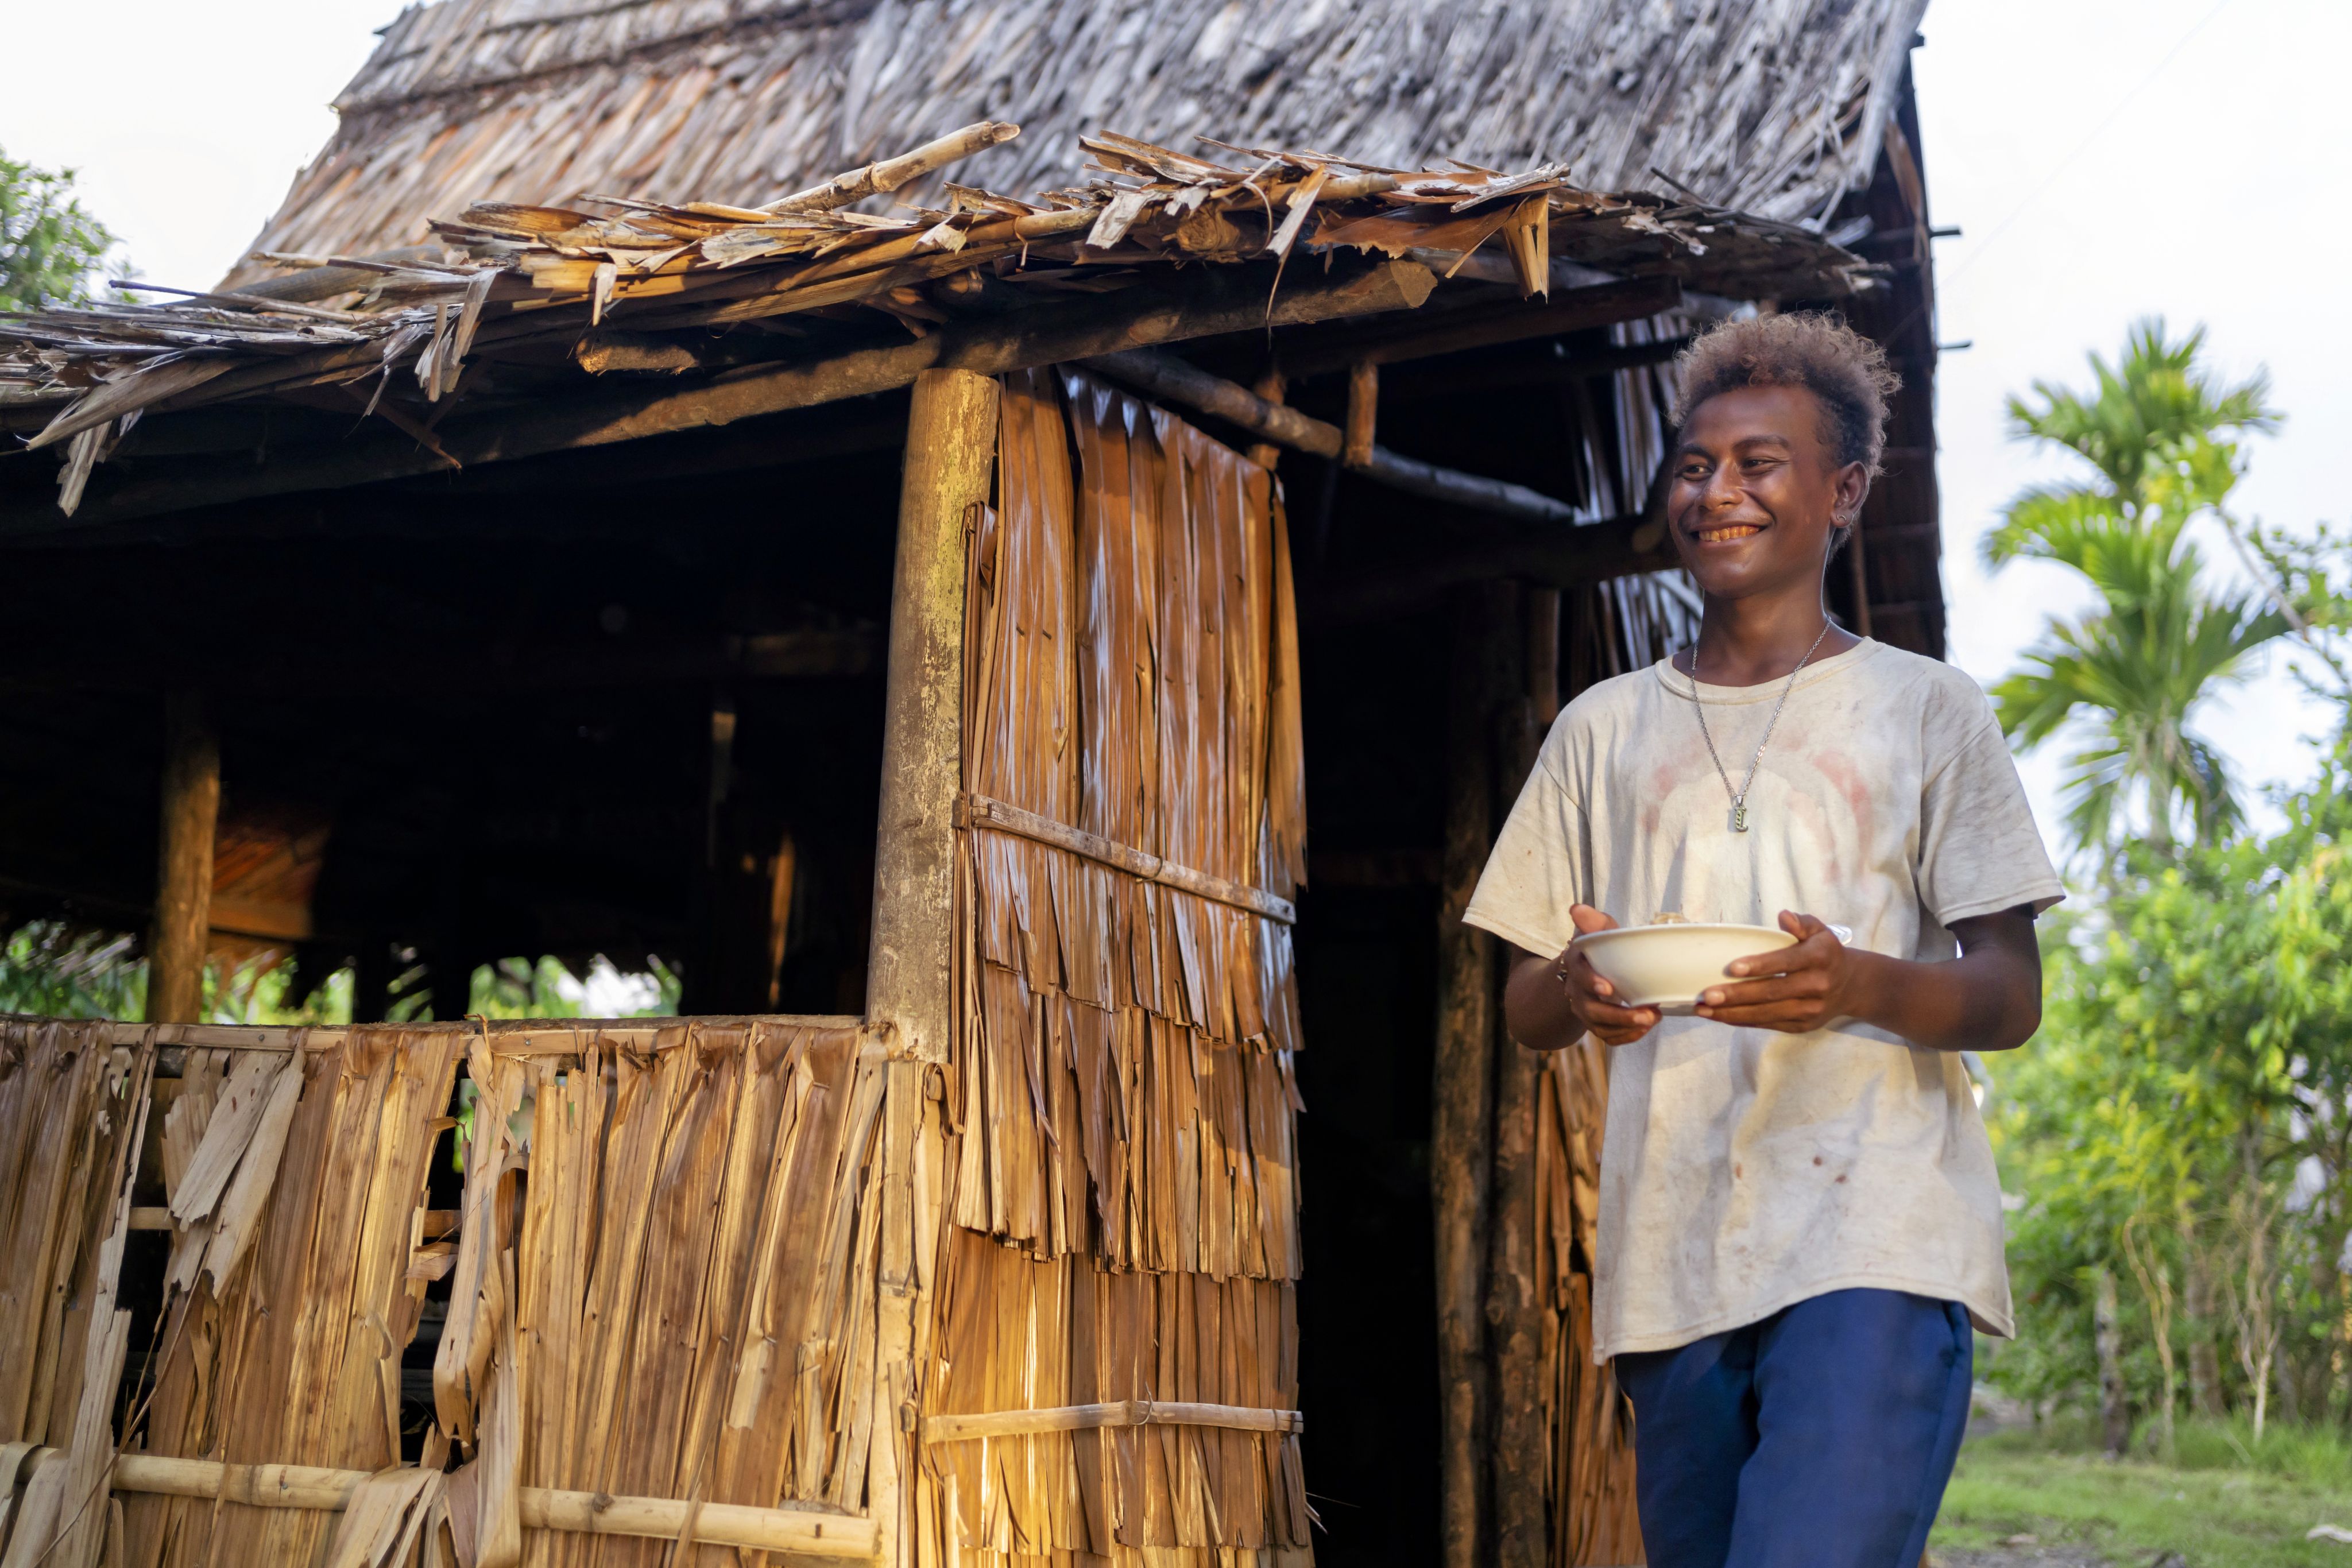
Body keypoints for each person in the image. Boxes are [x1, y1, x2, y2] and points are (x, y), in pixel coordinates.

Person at [1464, 312, 2063, 1568]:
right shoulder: (1600, 729)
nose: (1716, 491)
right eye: (1693, 466)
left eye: (1757, 463)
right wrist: (1580, 987)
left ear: (1841, 492)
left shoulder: (1924, 711)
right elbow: (1521, 1002)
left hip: (1873, 1236)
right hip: (1673, 1252)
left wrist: (1852, 982)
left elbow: (2007, 992)